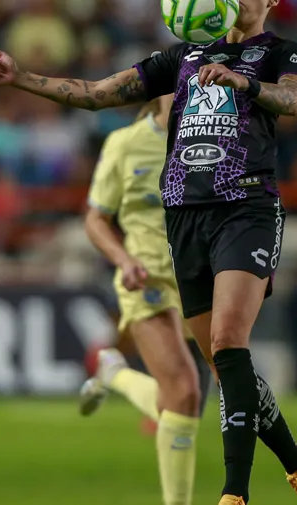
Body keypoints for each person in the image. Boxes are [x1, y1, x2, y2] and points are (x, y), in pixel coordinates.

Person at [0, 0, 297, 505]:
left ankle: (234, 494)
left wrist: (242, 83)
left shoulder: (283, 52)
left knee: (228, 342)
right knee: (227, 367)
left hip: (247, 207)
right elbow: (98, 94)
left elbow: (291, 100)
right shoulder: (183, 57)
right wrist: (19, 77)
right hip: (184, 216)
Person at [77, 94, 214, 505]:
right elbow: (95, 218)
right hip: (146, 279)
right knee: (184, 394)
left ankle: (114, 373)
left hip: (200, 281)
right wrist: (123, 259)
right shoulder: (126, 143)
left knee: (182, 405)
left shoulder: (215, 139)